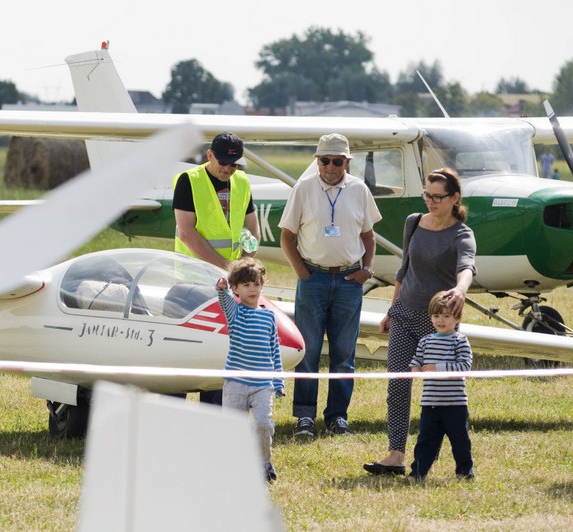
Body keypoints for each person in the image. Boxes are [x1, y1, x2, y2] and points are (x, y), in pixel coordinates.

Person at [363, 167, 476, 476]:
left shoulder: (462, 233)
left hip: (438, 322)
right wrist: (391, 309)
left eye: (437, 197)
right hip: (404, 315)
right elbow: (404, 269)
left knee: (442, 394)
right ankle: (396, 454)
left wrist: (460, 289)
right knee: (397, 384)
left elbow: (467, 267)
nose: (430, 201)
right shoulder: (413, 222)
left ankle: (455, 460)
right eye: (427, 194)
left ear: (454, 198)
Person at [279, 133, 381, 438]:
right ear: (317, 161)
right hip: (314, 279)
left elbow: (369, 236)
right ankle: (305, 417)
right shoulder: (304, 188)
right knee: (307, 352)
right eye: (325, 160)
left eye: (338, 161)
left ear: (347, 162)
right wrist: (303, 273)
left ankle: (338, 416)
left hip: (350, 280)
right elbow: (286, 236)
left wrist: (367, 270)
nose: (331, 166)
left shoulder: (360, 189)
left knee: (343, 353)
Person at [174, 132, 261, 405]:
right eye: (223, 161)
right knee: (185, 350)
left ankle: (214, 411)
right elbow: (187, 233)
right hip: (191, 280)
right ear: (209, 155)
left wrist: (246, 262)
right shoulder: (189, 180)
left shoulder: (242, 181)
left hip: (227, 283)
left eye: (234, 163)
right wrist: (228, 268)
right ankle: (172, 408)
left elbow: (251, 229)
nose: (228, 168)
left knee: (220, 349)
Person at [215, 257, 285, 483]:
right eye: (245, 285)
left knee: (264, 424)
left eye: (256, 284)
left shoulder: (268, 316)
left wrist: (279, 382)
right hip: (235, 382)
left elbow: (275, 350)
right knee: (233, 427)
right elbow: (224, 299)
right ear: (236, 289)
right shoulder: (235, 313)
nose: (252, 289)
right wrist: (222, 287)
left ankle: (264, 464)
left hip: (263, 385)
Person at [407, 291, 474, 482]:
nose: (440, 320)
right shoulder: (425, 341)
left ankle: (465, 472)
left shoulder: (460, 341)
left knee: (460, 442)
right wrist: (415, 370)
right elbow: (415, 361)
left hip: (455, 405)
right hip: (430, 404)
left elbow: (464, 367)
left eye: (446, 316)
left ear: (457, 318)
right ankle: (418, 473)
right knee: (425, 441)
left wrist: (438, 368)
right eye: (436, 316)